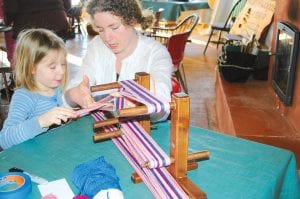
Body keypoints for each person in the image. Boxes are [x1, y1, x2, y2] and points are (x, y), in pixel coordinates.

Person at [64, 0, 173, 122]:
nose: (107, 38)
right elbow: (76, 87)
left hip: (141, 131)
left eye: (114, 27)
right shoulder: (96, 46)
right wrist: (74, 95)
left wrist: (146, 104)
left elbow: (163, 109)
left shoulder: (156, 53)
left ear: (132, 21)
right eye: (101, 30)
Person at [0, 29, 77, 150]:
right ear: (31, 68)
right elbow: (5, 139)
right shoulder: (24, 97)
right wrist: (41, 121)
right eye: (52, 67)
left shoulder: (56, 87)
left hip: (57, 151)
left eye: (63, 64)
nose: (61, 72)